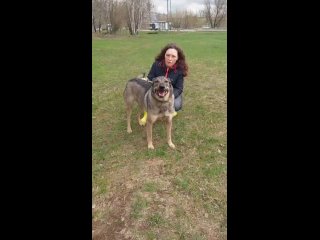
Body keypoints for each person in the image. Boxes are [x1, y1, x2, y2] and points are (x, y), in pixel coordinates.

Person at [147, 43, 188, 114]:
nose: (169, 59)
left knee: (177, 105)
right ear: (164, 55)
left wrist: (169, 96)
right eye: (168, 55)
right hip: (156, 90)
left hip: (171, 92)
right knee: (150, 100)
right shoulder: (156, 64)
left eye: (173, 56)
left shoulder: (180, 70)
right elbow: (150, 78)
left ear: (177, 58)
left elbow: (179, 88)